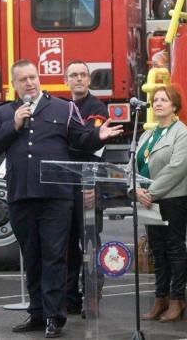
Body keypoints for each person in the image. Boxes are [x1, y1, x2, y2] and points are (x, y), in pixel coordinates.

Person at [0, 59, 122, 338]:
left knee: (54, 256)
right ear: (15, 84)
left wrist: (99, 135)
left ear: (40, 78)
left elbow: (81, 139)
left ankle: (54, 317)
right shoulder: (4, 113)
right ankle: (36, 313)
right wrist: (14, 124)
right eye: (23, 79)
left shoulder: (63, 107)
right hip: (21, 195)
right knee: (32, 257)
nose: (30, 83)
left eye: (33, 77)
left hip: (55, 198)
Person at [135, 85, 187, 323]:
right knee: (157, 251)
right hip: (147, 199)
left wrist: (151, 191)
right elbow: (134, 165)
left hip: (171, 199)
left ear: (174, 106)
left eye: (164, 100)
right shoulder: (146, 134)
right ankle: (161, 298)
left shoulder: (182, 133)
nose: (158, 103)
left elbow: (177, 168)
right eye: (155, 100)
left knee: (174, 248)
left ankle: (178, 299)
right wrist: (136, 190)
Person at [63, 60, 109, 316]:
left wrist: (90, 184)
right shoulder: (62, 107)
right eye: (73, 75)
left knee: (90, 245)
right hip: (64, 187)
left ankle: (92, 298)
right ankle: (69, 298)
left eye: (83, 75)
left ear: (89, 80)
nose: (78, 79)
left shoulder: (97, 107)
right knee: (67, 246)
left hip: (87, 185)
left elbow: (91, 146)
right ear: (65, 80)